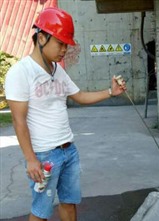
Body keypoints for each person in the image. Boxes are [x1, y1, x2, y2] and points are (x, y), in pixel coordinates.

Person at [4, 7, 126, 221]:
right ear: (41, 38)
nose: (64, 50)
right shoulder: (20, 73)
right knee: (41, 211)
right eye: (60, 43)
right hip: (44, 156)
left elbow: (79, 96)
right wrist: (31, 159)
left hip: (69, 150)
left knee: (69, 203)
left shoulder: (57, 70)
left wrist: (110, 92)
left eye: (66, 44)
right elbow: (18, 120)